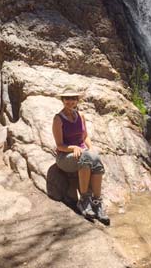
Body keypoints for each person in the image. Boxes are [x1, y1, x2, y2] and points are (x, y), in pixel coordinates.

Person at [52, 86, 110, 225]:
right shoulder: (58, 119)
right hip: (65, 157)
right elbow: (59, 145)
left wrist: (90, 148)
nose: (70, 101)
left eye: (73, 98)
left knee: (94, 157)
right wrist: (73, 148)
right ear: (62, 100)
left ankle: (97, 202)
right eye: (67, 98)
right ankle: (84, 200)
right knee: (86, 157)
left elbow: (85, 136)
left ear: (77, 100)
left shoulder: (81, 116)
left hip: (82, 153)